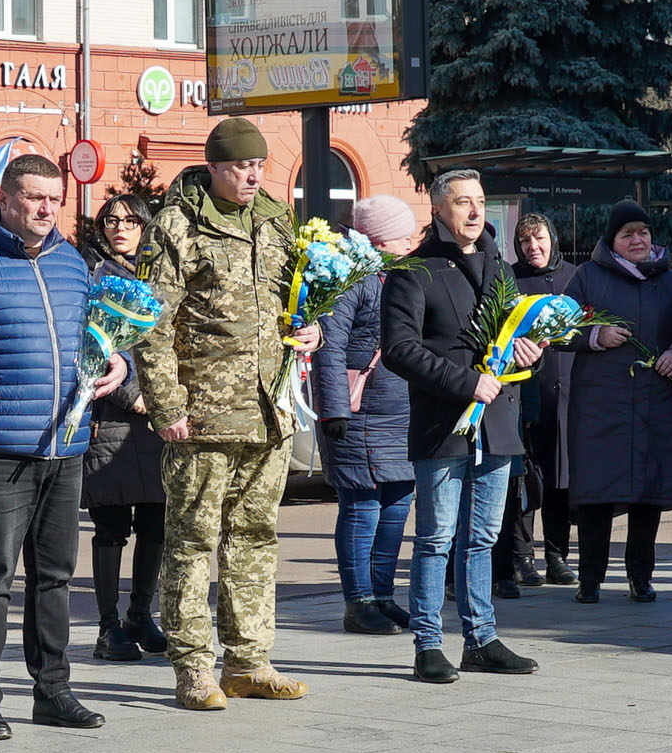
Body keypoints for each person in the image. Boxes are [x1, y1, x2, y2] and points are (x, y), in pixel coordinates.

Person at [0, 153, 117, 740]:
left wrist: (119, 364)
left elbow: (100, 335)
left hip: (65, 442)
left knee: (55, 575)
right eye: (34, 197)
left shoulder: (72, 262)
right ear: (4, 199)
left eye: (53, 199)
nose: (45, 208)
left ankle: (53, 690)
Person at [132, 119, 318, 710]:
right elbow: (150, 324)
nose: (253, 175)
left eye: (259, 165)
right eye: (241, 166)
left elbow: (294, 300)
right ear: (213, 166)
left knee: (256, 537)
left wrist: (309, 330)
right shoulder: (175, 227)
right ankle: (192, 666)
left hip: (269, 411)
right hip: (204, 415)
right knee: (191, 540)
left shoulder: (275, 220)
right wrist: (166, 406)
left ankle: (249, 660)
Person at [382, 168, 542, 685]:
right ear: (438, 211)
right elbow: (399, 351)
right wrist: (463, 383)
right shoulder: (414, 271)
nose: (475, 212)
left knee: (483, 538)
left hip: (497, 423)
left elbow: (515, 336)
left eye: (479, 202)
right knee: (435, 538)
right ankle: (428, 644)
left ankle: (482, 638)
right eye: (463, 203)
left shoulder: (499, 268)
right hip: (444, 425)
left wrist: (530, 354)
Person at [560, 201, 672, 604]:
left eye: (643, 232)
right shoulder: (588, 277)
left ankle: (641, 576)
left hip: (656, 404)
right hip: (599, 406)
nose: (638, 240)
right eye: (628, 234)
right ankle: (589, 579)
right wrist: (595, 336)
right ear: (613, 242)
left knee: (650, 492)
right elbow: (556, 329)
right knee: (596, 494)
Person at [312, 194, 418, 635]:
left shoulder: (403, 277)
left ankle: (383, 595)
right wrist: (334, 409)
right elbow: (329, 347)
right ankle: (358, 602)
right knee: (362, 507)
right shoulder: (348, 279)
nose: (411, 242)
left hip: (403, 413)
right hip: (358, 415)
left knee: (397, 505)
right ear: (378, 238)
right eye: (402, 235)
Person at [79, 194, 169, 662]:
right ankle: (107, 628)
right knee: (112, 527)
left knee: (156, 522)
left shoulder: (157, 272)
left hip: (156, 424)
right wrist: (130, 394)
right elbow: (91, 349)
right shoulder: (93, 275)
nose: (120, 227)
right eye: (111, 220)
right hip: (112, 419)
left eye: (131, 220)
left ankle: (140, 615)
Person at [494, 211, 575, 591]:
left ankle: (558, 555)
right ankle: (522, 558)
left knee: (561, 479)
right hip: (525, 396)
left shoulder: (574, 277)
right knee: (524, 481)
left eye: (539, 239)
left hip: (569, 396)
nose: (533, 247)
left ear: (553, 239)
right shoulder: (511, 278)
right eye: (526, 241)